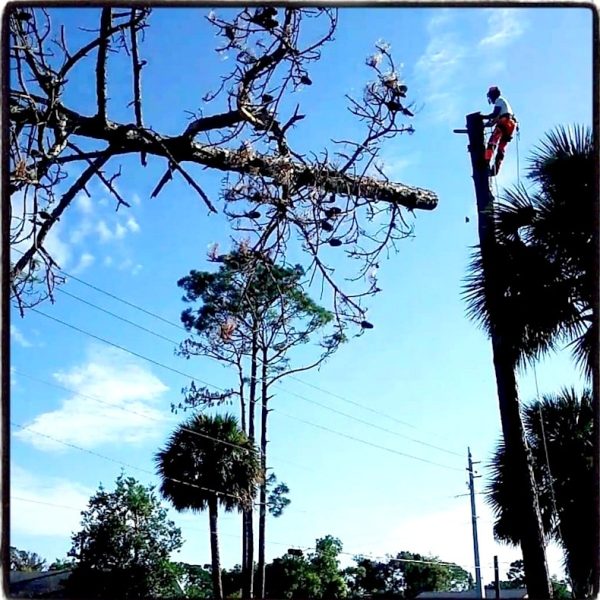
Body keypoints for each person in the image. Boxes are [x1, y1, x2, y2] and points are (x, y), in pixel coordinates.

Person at [481, 86, 517, 176]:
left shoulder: (499, 101)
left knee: (492, 142)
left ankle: (486, 161)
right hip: (511, 124)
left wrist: (481, 117)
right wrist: (484, 124)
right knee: (501, 148)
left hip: (505, 122)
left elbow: (494, 114)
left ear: (493, 95)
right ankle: (495, 170)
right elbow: (493, 121)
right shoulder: (505, 106)